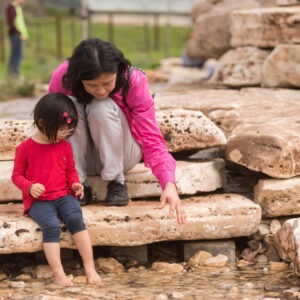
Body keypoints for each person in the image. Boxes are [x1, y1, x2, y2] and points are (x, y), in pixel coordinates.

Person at [48, 37, 186, 225]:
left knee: (101, 105)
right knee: (68, 106)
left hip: (122, 156)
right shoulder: (63, 77)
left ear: (118, 72)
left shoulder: (133, 79)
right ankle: (78, 185)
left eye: (107, 83)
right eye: (92, 85)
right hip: (80, 157)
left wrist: (169, 183)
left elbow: (151, 136)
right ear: (78, 79)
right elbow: (50, 127)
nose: (101, 90)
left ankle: (116, 183)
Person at [11, 93, 102, 287]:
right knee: (51, 225)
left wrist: (75, 184)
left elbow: (70, 171)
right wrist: (29, 186)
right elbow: (17, 176)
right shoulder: (25, 149)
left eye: (68, 131)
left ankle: (89, 267)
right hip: (39, 201)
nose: (64, 135)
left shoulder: (64, 147)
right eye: (60, 131)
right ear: (42, 123)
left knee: (76, 218)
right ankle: (58, 273)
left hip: (63, 195)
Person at [6, 0, 28, 79]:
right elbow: (11, 23)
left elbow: (20, 22)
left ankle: (14, 72)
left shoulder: (18, 8)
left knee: (18, 54)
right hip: (15, 35)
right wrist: (19, 33)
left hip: (19, 35)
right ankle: (13, 72)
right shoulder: (10, 8)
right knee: (16, 54)